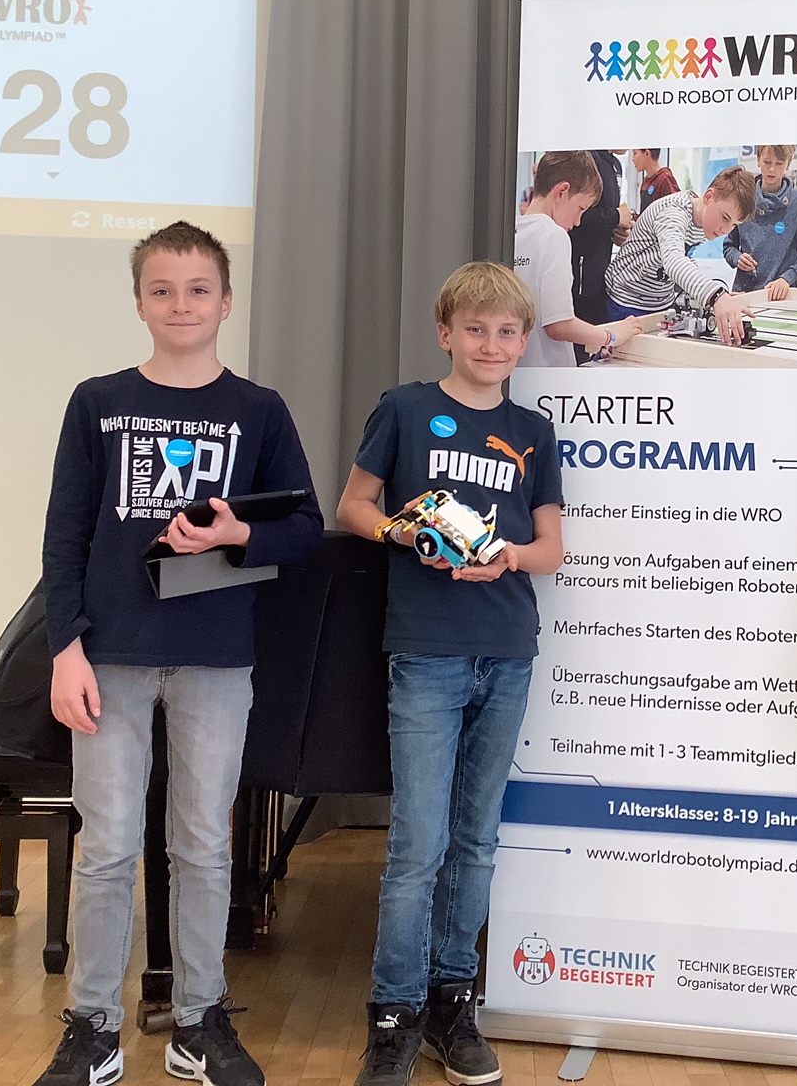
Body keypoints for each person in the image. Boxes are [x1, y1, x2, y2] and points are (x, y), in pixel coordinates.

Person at [38, 222, 324, 1086]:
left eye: (199, 289)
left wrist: (238, 533)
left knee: (202, 845)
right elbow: (64, 535)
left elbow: (305, 530)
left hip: (215, 658)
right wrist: (65, 649)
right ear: (139, 303)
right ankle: (92, 1028)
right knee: (107, 847)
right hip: (109, 657)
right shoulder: (97, 402)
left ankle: (199, 1020)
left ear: (226, 302)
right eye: (162, 290)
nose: (181, 304)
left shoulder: (259, 410)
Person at [336, 262, 564, 1086]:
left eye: (506, 332)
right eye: (475, 329)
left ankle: (451, 1002)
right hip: (426, 650)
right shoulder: (403, 409)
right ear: (446, 334)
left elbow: (551, 549)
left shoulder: (534, 431)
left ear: (523, 341)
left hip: (507, 650)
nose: (491, 345)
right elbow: (353, 506)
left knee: (476, 841)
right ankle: (393, 1012)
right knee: (417, 845)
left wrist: (506, 558)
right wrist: (403, 534)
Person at [515, 151, 644, 368]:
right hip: (550, 371)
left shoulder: (514, 232)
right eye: (581, 209)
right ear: (562, 191)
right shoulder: (554, 236)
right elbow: (558, 325)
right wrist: (611, 335)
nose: (577, 222)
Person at [605, 165, 758, 344]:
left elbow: (685, 258)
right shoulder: (673, 212)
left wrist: (715, 295)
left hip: (659, 304)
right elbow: (673, 261)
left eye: (734, 225)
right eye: (725, 218)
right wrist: (716, 296)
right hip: (626, 299)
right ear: (709, 196)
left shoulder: (703, 222)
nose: (726, 230)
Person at [722, 144, 797, 299]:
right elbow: (729, 246)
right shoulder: (743, 198)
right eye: (767, 162)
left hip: (780, 297)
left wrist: (787, 278)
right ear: (758, 160)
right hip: (744, 294)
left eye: (779, 163)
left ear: (788, 164)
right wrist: (737, 258)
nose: (772, 169)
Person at [568, 148, 624, 325]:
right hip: (581, 272)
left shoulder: (615, 165)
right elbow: (578, 216)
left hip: (601, 269)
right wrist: (616, 216)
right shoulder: (589, 158)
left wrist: (617, 230)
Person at [630, 147, 679, 212]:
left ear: (647, 153)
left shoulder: (665, 179)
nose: (632, 159)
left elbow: (675, 209)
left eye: (635, 153)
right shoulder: (645, 181)